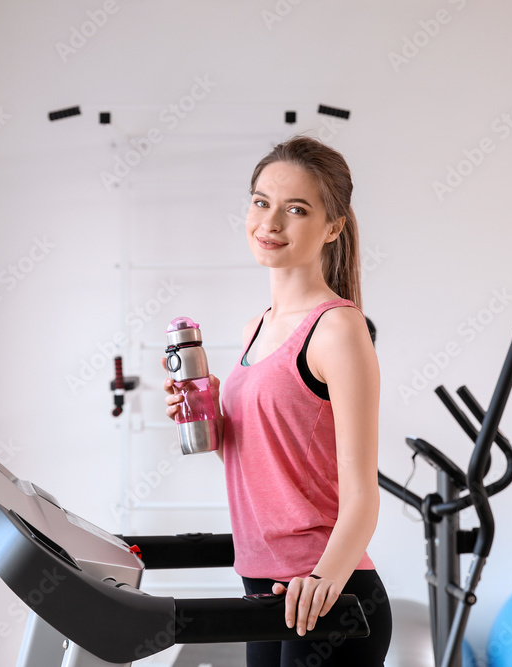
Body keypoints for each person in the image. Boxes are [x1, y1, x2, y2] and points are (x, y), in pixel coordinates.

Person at [163, 134, 391, 666]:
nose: (270, 223)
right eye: (261, 202)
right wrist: (213, 423)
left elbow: (362, 494)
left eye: (296, 210)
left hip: (328, 595)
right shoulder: (254, 329)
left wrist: (322, 581)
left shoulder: (337, 329)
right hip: (262, 588)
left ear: (333, 227)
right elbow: (264, 466)